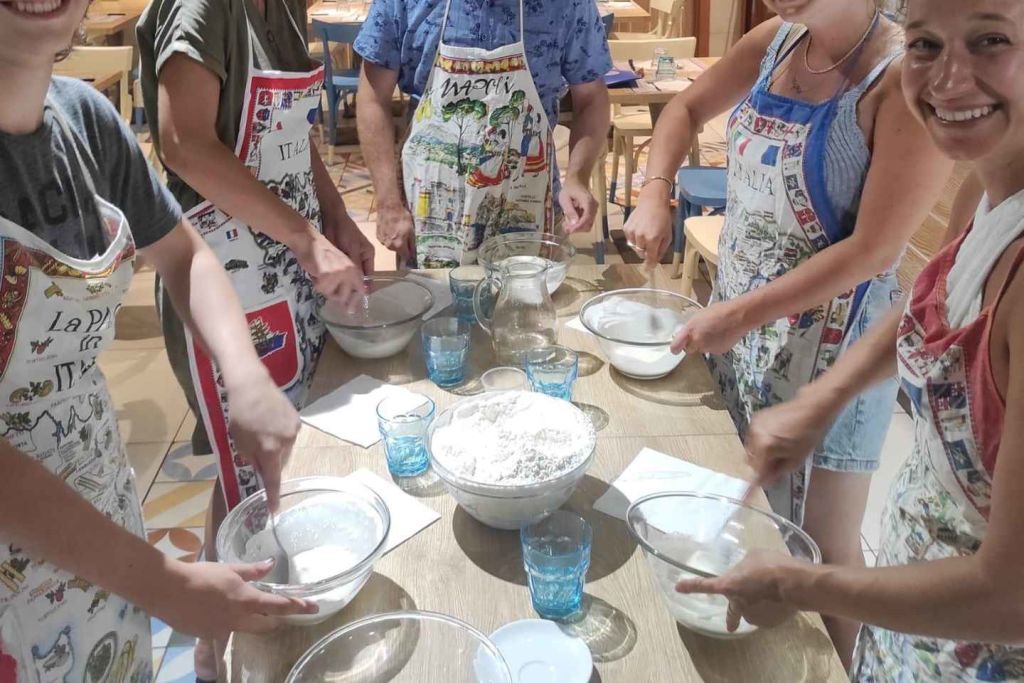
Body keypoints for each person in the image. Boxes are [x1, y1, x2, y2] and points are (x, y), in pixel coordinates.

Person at [676, 0, 1024, 678]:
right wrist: (823, 397)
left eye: (990, 40)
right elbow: (931, 304)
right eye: (925, 45)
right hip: (911, 618)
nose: (947, 79)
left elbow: (1009, 594)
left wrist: (800, 583)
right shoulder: (986, 195)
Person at [622, 0, 950, 664]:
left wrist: (738, 313)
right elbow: (684, 108)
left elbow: (873, 251)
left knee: (823, 550)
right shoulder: (777, 40)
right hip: (741, 334)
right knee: (748, 518)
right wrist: (654, 189)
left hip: (836, 355)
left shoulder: (899, 78)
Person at [0, 1, 317, 679]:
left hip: (100, 528)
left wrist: (245, 375)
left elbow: (183, 254)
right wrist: (163, 582)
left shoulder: (85, 122)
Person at [136, 0, 373, 675]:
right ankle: (227, 642)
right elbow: (183, 143)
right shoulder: (206, 8)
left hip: (284, 268)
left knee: (258, 460)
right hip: (223, 275)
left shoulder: (286, 6)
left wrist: (333, 216)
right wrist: (306, 238)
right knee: (245, 468)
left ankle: (221, 630)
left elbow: (292, 134)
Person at [354, 0, 611, 268]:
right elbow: (373, 98)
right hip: (428, 214)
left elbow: (591, 98)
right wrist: (387, 201)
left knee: (528, 294)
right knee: (434, 296)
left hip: (529, 205)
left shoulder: (568, 4)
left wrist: (578, 177)